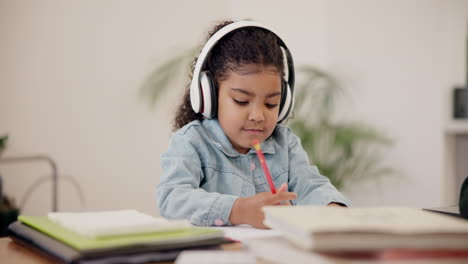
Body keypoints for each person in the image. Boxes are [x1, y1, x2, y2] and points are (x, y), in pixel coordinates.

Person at [156, 20, 350, 229]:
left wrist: (333, 209)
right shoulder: (190, 142)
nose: (258, 115)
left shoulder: (285, 144)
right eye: (241, 101)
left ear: (283, 103)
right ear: (209, 95)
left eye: (271, 103)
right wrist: (239, 210)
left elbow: (310, 187)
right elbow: (172, 199)